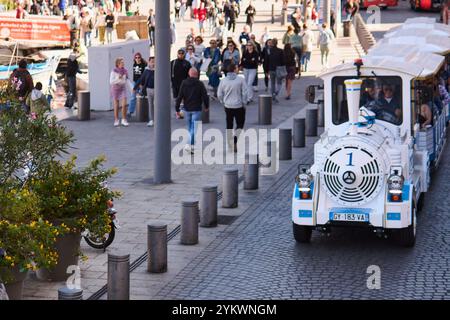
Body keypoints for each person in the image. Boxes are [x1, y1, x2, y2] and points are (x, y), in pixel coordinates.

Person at [175, 68, 209, 154]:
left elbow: (179, 96)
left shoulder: (184, 83)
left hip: (187, 109)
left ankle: (192, 147)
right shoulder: (200, 84)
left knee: (190, 128)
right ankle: (188, 144)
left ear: (189, 74)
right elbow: (205, 96)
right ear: (197, 74)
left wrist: (177, 108)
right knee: (194, 129)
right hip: (196, 109)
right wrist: (206, 106)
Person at [217, 62, 248, 153]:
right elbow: (245, 93)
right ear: (234, 69)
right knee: (240, 124)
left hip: (228, 106)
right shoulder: (240, 80)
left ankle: (230, 144)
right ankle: (235, 140)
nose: (238, 69)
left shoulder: (224, 80)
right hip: (239, 106)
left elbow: (219, 94)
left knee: (229, 124)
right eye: (237, 68)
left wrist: (223, 101)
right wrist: (244, 103)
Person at [134, 57, 155, 127]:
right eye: (152, 61)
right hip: (149, 90)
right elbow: (141, 79)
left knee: (157, 105)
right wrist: (135, 87)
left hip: (158, 91)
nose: (153, 63)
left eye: (154, 61)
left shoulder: (159, 70)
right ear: (149, 62)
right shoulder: (147, 71)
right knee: (150, 105)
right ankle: (152, 120)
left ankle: (158, 119)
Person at [171, 49, 192, 118]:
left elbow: (190, 73)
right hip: (175, 83)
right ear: (177, 54)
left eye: (182, 53)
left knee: (183, 98)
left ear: (184, 54)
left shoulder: (187, 63)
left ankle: (182, 112)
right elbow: (169, 72)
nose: (180, 55)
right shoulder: (173, 62)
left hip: (184, 84)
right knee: (176, 98)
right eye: (179, 53)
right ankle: (178, 112)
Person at [110, 57, 130, 127]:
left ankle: (124, 120)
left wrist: (132, 88)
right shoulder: (113, 71)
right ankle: (116, 120)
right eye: (122, 62)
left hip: (122, 88)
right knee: (116, 105)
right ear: (118, 64)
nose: (123, 63)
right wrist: (118, 78)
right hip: (115, 88)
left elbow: (126, 80)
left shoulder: (125, 71)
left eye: (123, 62)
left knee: (124, 104)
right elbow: (111, 82)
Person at [265, 38, 285, 102]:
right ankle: (276, 93)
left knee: (272, 83)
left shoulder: (268, 51)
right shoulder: (281, 51)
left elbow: (266, 61)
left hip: (271, 69)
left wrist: (266, 70)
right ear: (277, 43)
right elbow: (283, 61)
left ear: (272, 43)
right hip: (278, 69)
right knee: (279, 83)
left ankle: (273, 95)